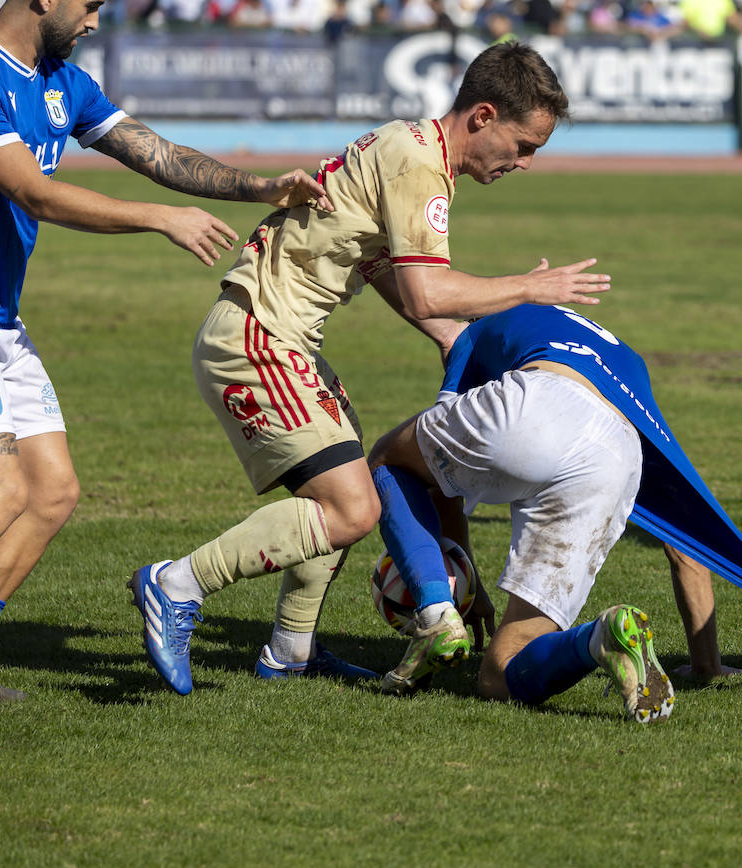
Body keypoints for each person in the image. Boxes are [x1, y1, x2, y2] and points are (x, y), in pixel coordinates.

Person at [127, 42, 612, 697]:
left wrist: (455, 344)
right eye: (523, 145)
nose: (524, 164)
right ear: (483, 115)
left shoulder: (404, 144)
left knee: (350, 478)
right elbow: (426, 292)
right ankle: (176, 583)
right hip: (258, 337)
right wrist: (529, 289)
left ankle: (291, 650)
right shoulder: (420, 166)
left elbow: (382, 267)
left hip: (279, 339)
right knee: (352, 508)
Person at [0, 0, 332, 728]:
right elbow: (35, 192)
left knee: (52, 492)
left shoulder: (62, 80)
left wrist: (260, 187)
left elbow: (153, 151)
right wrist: (158, 218)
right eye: (88, 5)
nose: (92, 21)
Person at [367, 303, 742, 722]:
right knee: (498, 672)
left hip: (537, 402)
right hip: (617, 453)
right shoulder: (626, 360)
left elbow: (436, 477)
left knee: (387, 460)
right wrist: (705, 664)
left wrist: (460, 591)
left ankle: (434, 614)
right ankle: (599, 638)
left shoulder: (475, 332)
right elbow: (684, 542)